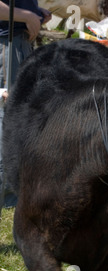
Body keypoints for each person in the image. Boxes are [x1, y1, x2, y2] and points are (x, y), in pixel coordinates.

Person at [0, 0, 51, 207]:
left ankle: (17, 188)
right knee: (9, 115)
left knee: (23, 116)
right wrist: (25, 16)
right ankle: (7, 192)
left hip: (20, 43)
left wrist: (34, 12)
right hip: (7, 45)